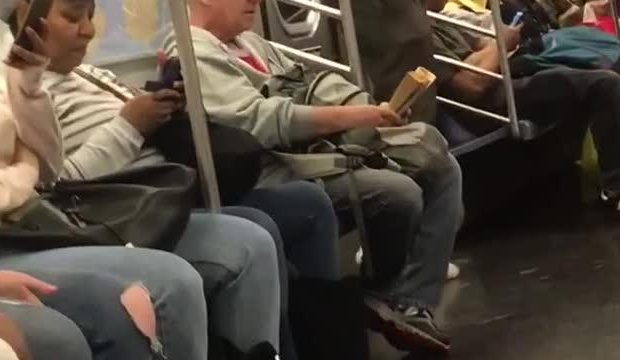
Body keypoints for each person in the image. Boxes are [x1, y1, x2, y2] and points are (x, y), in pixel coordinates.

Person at [0, 1, 334, 359]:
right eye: (72, 17)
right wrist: (130, 125)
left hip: (168, 191)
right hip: (116, 212)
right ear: (26, 21)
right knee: (251, 238)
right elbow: (54, 185)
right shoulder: (19, 94)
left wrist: (166, 108)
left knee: (304, 204)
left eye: (91, 17)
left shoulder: (93, 75)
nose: (89, 30)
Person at [161, 0, 464, 354]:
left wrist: (371, 109)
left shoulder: (252, 44)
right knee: (396, 192)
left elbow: (308, 83)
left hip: (321, 150)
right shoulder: (191, 50)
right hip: (280, 167)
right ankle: (378, 294)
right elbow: (262, 121)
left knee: (440, 164)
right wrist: (353, 117)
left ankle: (411, 302)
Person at [426, 0, 620, 207]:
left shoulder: (438, 23)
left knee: (602, 64)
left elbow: (483, 48)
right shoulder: (423, 37)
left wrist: (486, 55)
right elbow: (472, 86)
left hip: (508, 76)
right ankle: (616, 189)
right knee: (604, 83)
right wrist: (498, 47)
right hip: (493, 102)